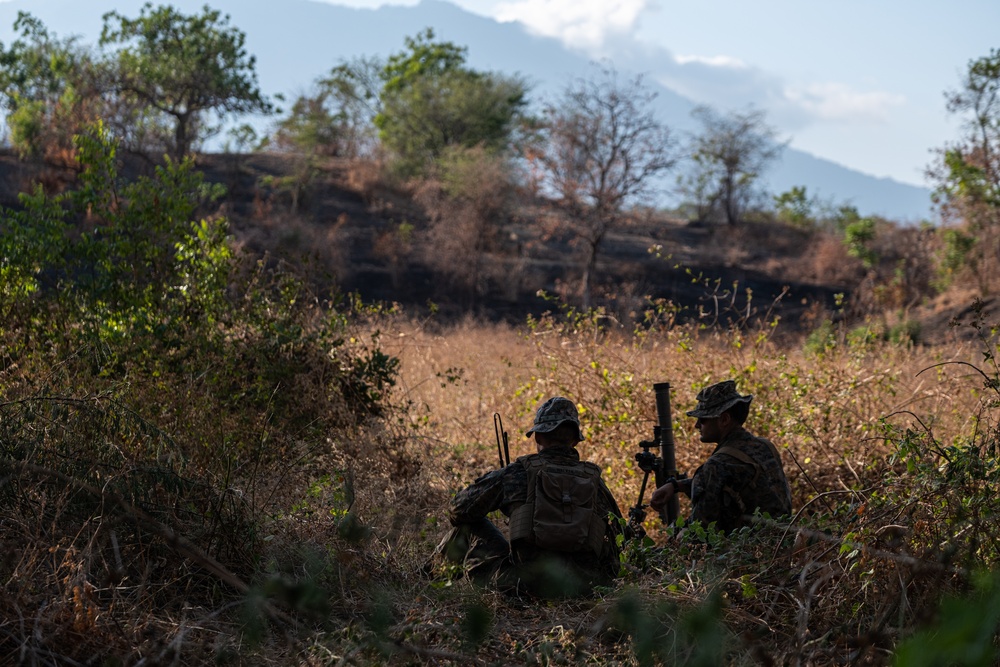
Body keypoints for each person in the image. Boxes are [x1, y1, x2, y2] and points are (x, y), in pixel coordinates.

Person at [440, 396, 626, 597]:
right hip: (582, 591)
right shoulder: (595, 482)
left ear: (537, 437)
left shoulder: (517, 473)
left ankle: (427, 586)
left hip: (520, 588)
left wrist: (513, 505)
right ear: (574, 440)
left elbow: (458, 510)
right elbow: (623, 540)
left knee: (468, 526)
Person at [649, 380, 791, 533]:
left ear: (724, 420)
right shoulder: (765, 446)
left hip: (751, 552)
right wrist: (676, 485)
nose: (697, 425)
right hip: (784, 542)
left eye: (703, 419)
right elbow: (727, 484)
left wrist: (676, 538)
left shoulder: (718, 464)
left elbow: (700, 531)